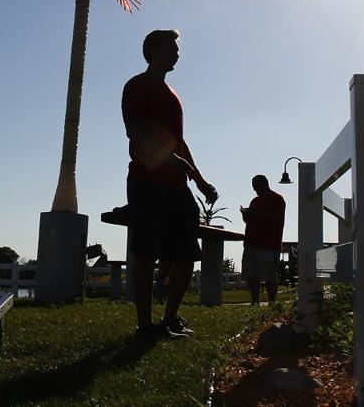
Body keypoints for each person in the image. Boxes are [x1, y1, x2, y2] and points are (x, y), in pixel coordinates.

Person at [122, 28, 218, 339]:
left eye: (176, 49)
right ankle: (144, 325)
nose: (177, 53)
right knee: (146, 251)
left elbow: (180, 142)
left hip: (178, 186)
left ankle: (170, 318)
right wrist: (169, 159)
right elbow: (136, 132)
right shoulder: (137, 86)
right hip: (146, 181)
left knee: (186, 253)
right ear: (152, 51)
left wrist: (200, 180)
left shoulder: (172, 94)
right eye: (171, 48)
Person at [239, 174, 286, 304]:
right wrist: (245, 214)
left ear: (263, 184)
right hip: (251, 242)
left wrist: (254, 213)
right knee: (251, 275)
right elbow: (248, 221)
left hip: (269, 244)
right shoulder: (255, 201)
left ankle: (271, 302)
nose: (255, 190)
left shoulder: (277, 199)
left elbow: (275, 218)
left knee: (270, 276)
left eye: (256, 187)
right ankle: (255, 302)